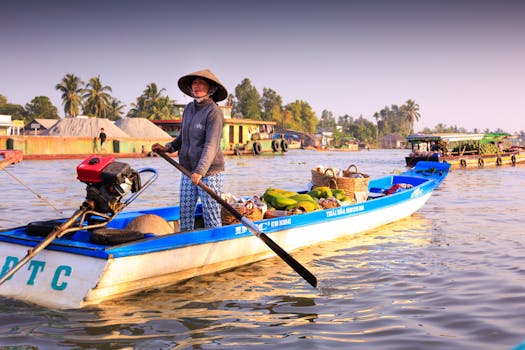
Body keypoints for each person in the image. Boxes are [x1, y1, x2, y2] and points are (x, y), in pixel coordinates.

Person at [152, 69, 227, 231]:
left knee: (211, 213)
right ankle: (186, 243)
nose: (196, 86)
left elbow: (211, 145)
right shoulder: (188, 109)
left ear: (211, 89)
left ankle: (215, 243)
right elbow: (182, 138)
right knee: (185, 212)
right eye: (194, 83)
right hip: (188, 170)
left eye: (201, 83)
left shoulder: (214, 112)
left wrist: (200, 171)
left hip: (210, 172)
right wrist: (167, 148)